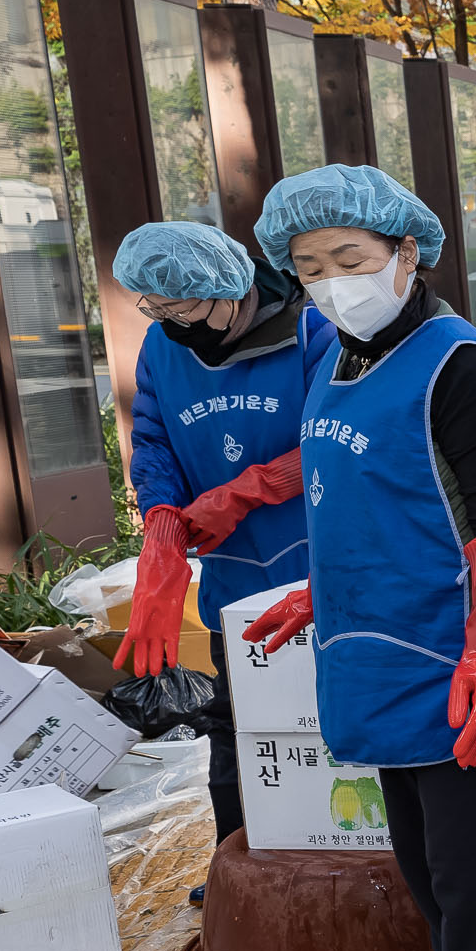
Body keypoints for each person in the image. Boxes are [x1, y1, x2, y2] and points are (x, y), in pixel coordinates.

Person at [241, 166, 476, 951]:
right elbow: (358, 499)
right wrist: (317, 598)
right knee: (417, 852)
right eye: (309, 265)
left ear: (403, 253)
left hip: (450, 656)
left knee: (472, 855)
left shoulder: (460, 364)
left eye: (350, 258)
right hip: (371, 650)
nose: (332, 279)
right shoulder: (342, 358)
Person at [111, 221, 336, 846]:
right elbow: (154, 442)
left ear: (228, 286)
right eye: (154, 308)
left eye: (179, 307)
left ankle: (353, 851)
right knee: (237, 724)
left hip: (319, 571)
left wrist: (245, 492)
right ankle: (242, 857)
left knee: (328, 721)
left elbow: (337, 444)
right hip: (232, 580)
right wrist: (160, 526)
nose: (168, 322)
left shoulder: (313, 336)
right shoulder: (162, 348)